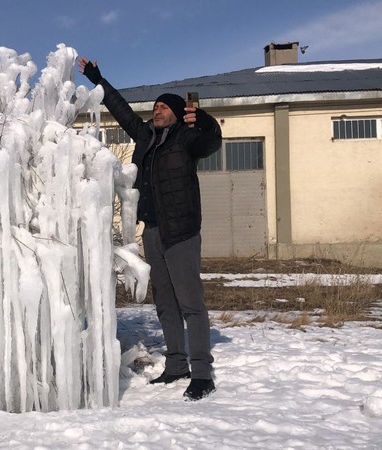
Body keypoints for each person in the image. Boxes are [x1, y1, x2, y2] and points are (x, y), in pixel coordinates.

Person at [78, 57, 222, 401]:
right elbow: (124, 111)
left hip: (183, 230)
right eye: (155, 106)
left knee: (191, 303)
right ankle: (176, 364)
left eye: (163, 107)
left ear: (175, 113)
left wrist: (202, 120)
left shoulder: (187, 139)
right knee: (166, 304)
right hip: (154, 230)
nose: (157, 111)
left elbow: (213, 140)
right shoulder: (146, 138)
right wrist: (98, 79)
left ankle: (201, 372)